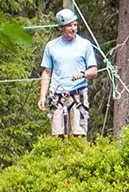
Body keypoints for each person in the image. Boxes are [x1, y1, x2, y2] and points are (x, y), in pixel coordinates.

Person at [38, 8, 103, 139]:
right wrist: (42, 96)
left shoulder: (85, 45)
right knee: (58, 137)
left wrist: (83, 74)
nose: (73, 29)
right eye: (69, 26)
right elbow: (46, 72)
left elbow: (94, 70)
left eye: (75, 25)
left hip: (78, 95)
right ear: (61, 28)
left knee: (79, 135)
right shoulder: (51, 46)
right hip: (57, 96)